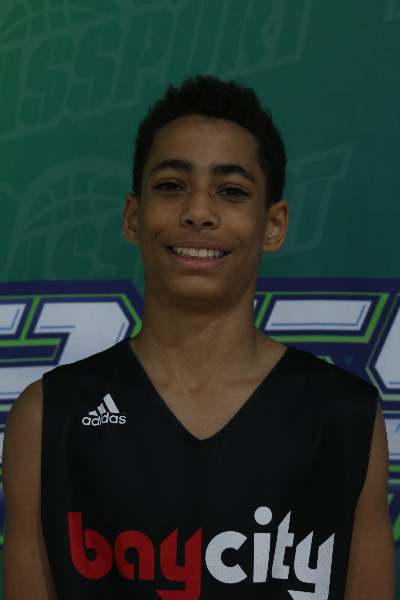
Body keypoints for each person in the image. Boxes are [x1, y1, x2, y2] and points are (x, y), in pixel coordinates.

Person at [2, 75, 395, 599]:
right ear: (133, 216)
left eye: (231, 191)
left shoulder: (344, 418)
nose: (198, 212)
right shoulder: (49, 418)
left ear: (274, 224)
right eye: (171, 186)